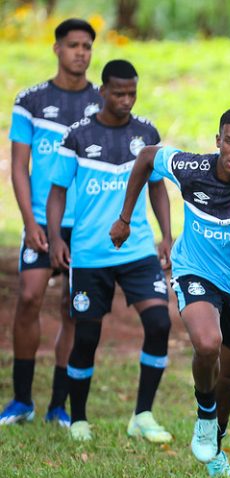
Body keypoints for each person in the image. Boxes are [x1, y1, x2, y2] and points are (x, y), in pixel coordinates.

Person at [110, 107, 230, 477]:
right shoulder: (191, 169)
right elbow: (147, 156)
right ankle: (205, 413)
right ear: (218, 141)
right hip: (194, 270)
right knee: (208, 344)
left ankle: (216, 442)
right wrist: (125, 216)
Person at [46, 60, 173, 443]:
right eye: (118, 92)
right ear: (102, 92)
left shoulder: (146, 133)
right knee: (86, 337)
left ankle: (143, 414)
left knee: (160, 324)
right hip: (90, 254)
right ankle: (79, 417)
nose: (125, 100)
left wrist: (167, 236)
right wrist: (55, 238)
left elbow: (157, 188)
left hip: (137, 252)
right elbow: (57, 192)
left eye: (131, 92)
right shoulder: (77, 136)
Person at [3, 18, 102, 427]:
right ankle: (21, 400)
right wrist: (29, 221)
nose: (81, 52)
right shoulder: (32, 100)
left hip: (87, 225)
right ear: (57, 49)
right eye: (73, 45)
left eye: (87, 46)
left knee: (74, 309)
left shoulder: (104, 102)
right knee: (29, 297)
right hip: (43, 221)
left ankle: (58, 405)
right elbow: (19, 166)